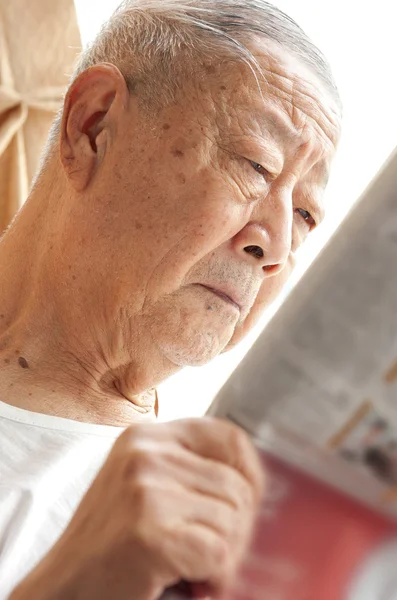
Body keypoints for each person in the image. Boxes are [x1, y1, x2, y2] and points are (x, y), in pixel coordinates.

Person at [0, 0, 341, 598]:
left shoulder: (224, 517)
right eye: (255, 167)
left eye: (306, 214)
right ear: (93, 126)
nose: (278, 244)